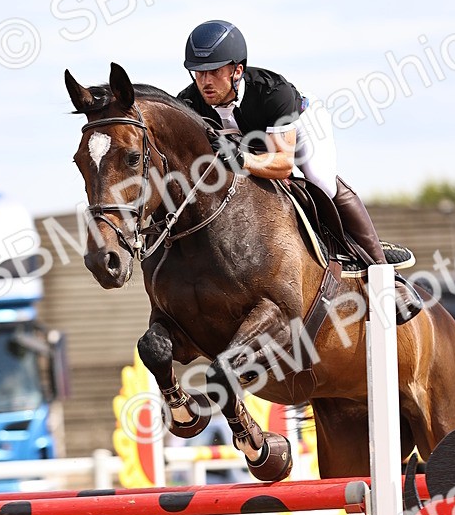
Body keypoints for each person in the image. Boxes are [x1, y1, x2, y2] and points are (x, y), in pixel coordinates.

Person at [177, 20, 421, 323]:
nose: (205, 81)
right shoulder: (188, 104)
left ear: (237, 70)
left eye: (214, 71)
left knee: (320, 181)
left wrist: (241, 160)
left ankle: (383, 273)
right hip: (249, 145)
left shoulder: (272, 92)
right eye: (198, 72)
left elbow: (281, 164)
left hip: (302, 130)